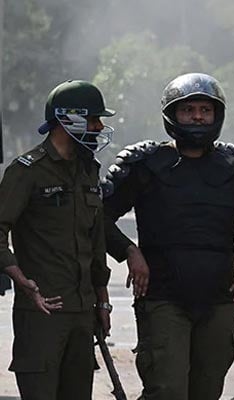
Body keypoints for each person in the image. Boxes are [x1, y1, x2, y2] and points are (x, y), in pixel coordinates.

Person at [102, 73, 234, 400]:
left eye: (205, 110)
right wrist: (129, 251)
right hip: (162, 297)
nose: (198, 117)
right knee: (167, 390)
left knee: (207, 390)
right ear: (172, 115)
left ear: (217, 115)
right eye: (188, 110)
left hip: (219, 300)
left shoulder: (233, 166)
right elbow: (98, 217)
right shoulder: (146, 164)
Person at [0, 80, 114, 400]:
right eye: (93, 119)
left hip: (82, 314)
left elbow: (96, 243)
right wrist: (20, 278)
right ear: (69, 119)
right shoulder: (27, 171)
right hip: (42, 315)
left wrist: (102, 301)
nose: (99, 127)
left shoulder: (88, 170)